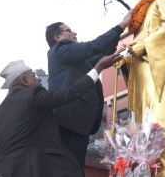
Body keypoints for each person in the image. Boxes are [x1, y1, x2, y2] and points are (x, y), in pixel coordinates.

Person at [0, 54, 122, 177]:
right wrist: (97, 69)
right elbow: (70, 93)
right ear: (24, 81)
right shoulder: (33, 95)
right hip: (34, 170)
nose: (38, 79)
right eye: (34, 75)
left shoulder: (0, 111)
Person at [45, 10, 132, 172]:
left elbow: (101, 54)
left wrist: (118, 37)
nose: (74, 33)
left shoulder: (77, 62)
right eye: (69, 31)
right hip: (67, 123)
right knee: (70, 169)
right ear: (57, 38)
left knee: (76, 168)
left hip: (78, 127)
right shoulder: (61, 49)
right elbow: (93, 46)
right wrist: (123, 24)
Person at [115, 0, 165, 176]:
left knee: (164, 141)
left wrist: (145, 44)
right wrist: (126, 58)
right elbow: (138, 47)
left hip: (160, 78)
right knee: (145, 149)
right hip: (143, 82)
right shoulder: (142, 16)